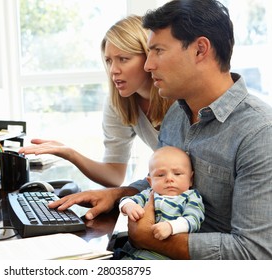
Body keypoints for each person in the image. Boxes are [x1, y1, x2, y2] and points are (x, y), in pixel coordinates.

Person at [52, 0, 272, 259]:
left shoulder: (260, 134)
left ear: (200, 50)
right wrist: (117, 195)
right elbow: (160, 182)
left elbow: (256, 253)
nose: (148, 65)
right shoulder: (176, 114)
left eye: (158, 51)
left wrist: (149, 239)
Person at [19, 15, 173, 191]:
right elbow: (114, 175)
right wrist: (69, 153)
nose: (113, 70)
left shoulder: (177, 97)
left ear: (148, 57)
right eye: (108, 61)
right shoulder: (119, 103)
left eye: (123, 59)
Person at [118, 146, 204, 259]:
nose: (169, 179)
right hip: (132, 253)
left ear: (190, 179)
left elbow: (193, 220)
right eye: (160, 175)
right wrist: (129, 206)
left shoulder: (191, 197)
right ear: (150, 181)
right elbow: (126, 200)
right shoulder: (149, 193)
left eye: (177, 174)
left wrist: (171, 226)